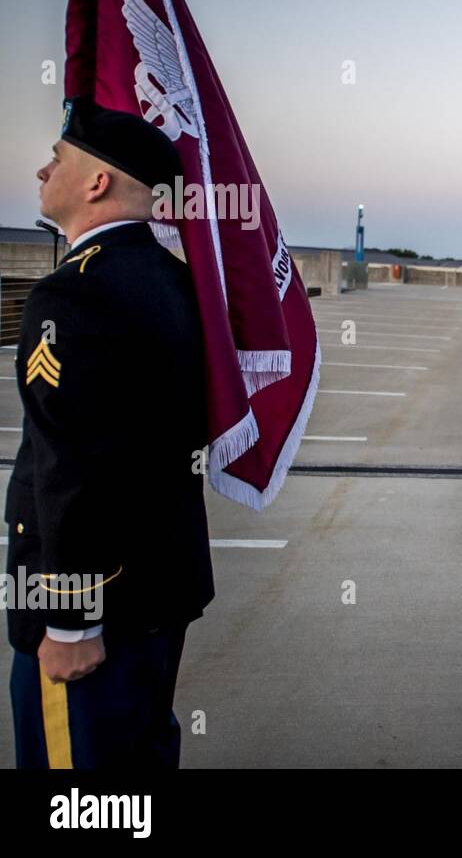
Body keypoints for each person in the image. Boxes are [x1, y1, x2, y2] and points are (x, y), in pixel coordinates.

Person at [8, 98, 211, 768]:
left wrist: (68, 618)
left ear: (97, 182)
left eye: (59, 158)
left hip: (96, 616)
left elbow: (72, 463)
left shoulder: (74, 295)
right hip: (158, 593)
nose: (43, 170)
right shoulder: (177, 284)